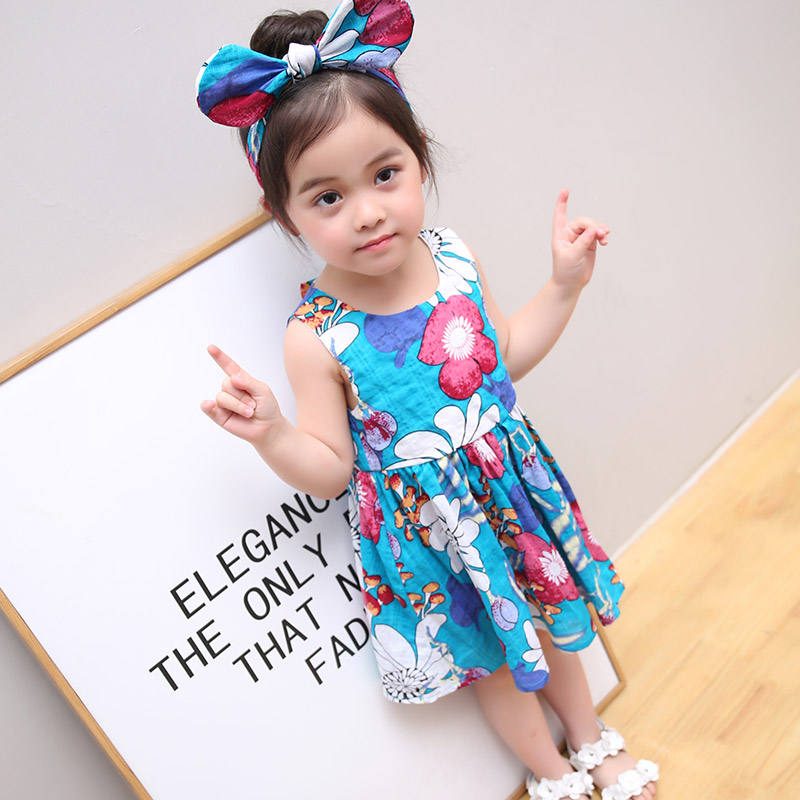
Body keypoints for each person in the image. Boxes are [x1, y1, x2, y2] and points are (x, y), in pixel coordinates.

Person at [195, 3, 659, 799]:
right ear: (284, 213)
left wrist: (564, 286)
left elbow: (503, 356)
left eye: (385, 174)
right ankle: (550, 772)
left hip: (511, 493)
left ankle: (591, 739)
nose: (368, 211)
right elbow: (332, 469)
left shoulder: (454, 260)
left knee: (552, 615)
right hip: (434, 535)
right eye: (327, 197)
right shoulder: (317, 334)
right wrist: (272, 433)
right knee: (497, 663)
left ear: (419, 160)